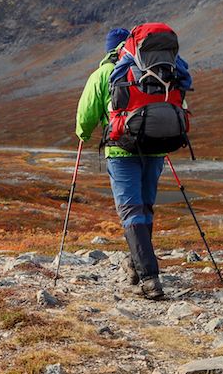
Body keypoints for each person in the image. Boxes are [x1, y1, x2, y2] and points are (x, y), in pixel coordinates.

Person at [74, 25, 189, 300]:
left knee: (131, 212)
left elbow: (86, 114)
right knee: (145, 209)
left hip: (121, 150)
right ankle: (136, 268)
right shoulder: (164, 67)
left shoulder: (104, 74)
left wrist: (83, 134)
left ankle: (150, 279)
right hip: (156, 147)